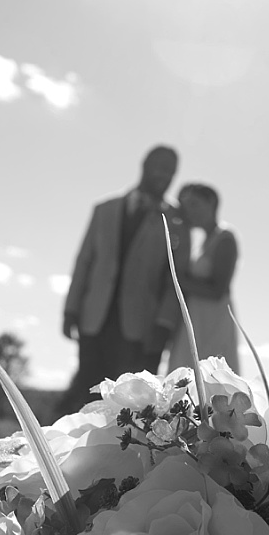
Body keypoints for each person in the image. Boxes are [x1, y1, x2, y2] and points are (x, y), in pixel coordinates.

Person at [56, 145, 189, 416]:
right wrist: (71, 309)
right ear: (144, 165)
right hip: (94, 317)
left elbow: (176, 280)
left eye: (171, 170)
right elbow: (85, 261)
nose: (165, 174)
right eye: (160, 166)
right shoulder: (104, 209)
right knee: (88, 392)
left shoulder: (177, 222)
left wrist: (163, 325)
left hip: (142, 330)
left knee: (132, 408)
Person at [164, 183, 240, 373]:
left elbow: (217, 290)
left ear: (211, 203)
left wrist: (175, 279)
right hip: (195, 318)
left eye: (194, 204)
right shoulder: (201, 242)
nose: (188, 211)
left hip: (213, 320)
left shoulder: (225, 238)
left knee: (212, 375)